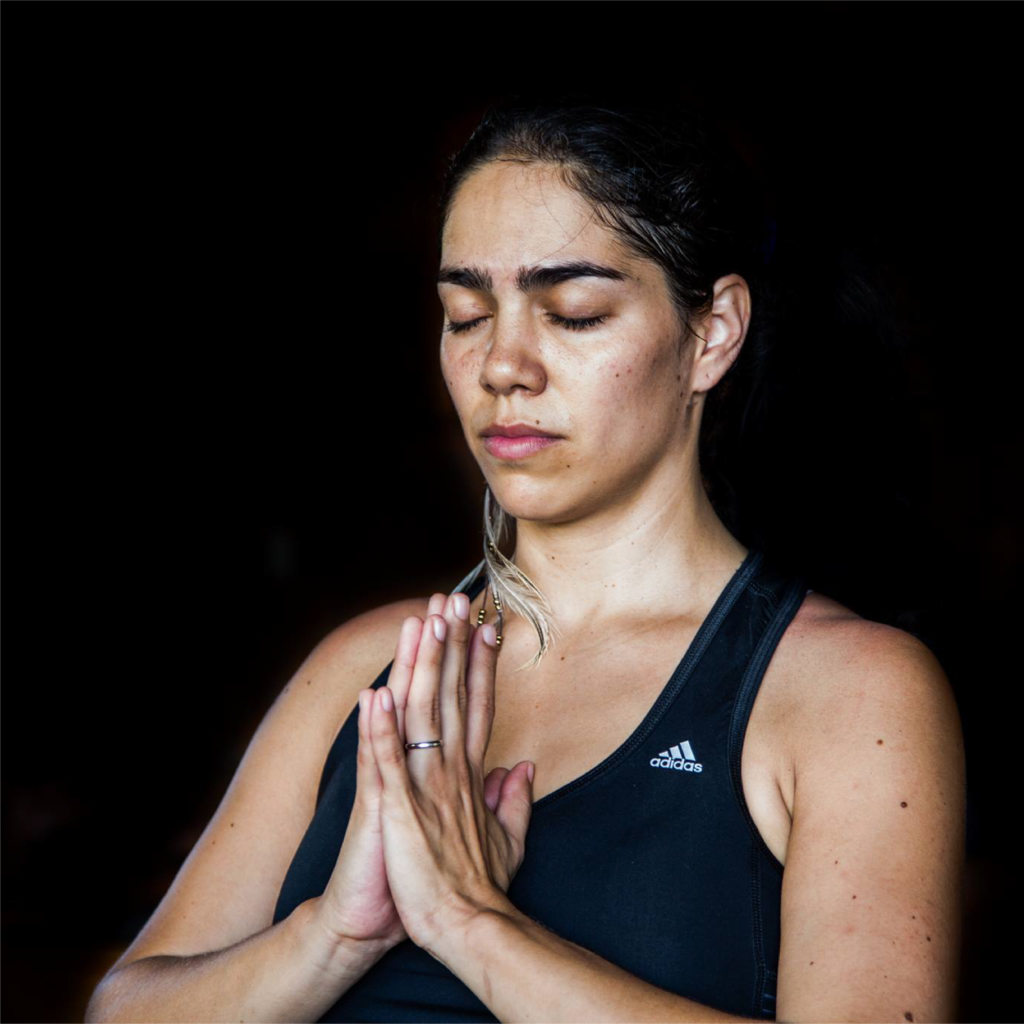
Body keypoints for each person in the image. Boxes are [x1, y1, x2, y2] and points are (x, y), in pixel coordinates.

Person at [86, 93, 966, 1023]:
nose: (505, 364)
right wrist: (333, 935)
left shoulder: (848, 693)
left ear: (712, 334)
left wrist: (473, 925)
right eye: (467, 314)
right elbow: (127, 1007)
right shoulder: (367, 667)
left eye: (573, 313)